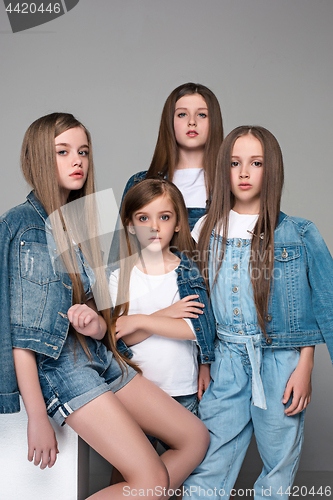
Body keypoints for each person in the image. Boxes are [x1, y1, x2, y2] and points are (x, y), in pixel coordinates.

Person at [0, 113, 210, 500]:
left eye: (83, 151)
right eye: (63, 152)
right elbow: (23, 337)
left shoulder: (77, 220)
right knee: (151, 481)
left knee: (194, 438)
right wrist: (35, 417)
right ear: (39, 160)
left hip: (98, 354)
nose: (77, 160)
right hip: (62, 369)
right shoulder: (29, 227)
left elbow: (97, 316)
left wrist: (96, 326)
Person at [183, 126, 333, 499]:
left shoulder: (298, 232)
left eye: (256, 163)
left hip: (280, 360)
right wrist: (204, 362)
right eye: (235, 163)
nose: (245, 173)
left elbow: (322, 304)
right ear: (224, 169)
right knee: (210, 461)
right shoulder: (204, 228)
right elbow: (199, 305)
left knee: (278, 464)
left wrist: (305, 366)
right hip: (227, 360)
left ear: (272, 170)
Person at [109, 178, 216, 417]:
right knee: (137, 456)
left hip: (182, 392)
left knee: (191, 451)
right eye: (143, 218)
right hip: (136, 393)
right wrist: (167, 314)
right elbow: (121, 338)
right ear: (130, 225)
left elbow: (195, 330)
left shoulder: (189, 274)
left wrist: (139, 321)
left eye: (164, 217)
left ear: (178, 223)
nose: (154, 226)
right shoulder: (119, 277)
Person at [120, 82, 224, 231]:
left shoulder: (231, 185)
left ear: (214, 122)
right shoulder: (139, 183)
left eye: (202, 114)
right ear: (170, 122)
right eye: (182, 114)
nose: (192, 122)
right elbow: (123, 250)